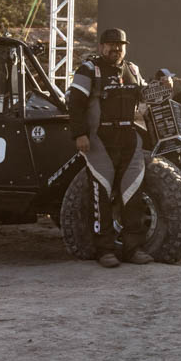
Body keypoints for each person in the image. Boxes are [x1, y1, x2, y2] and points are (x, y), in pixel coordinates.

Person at [66, 28, 152, 268]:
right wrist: (80, 134)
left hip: (129, 138)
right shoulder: (88, 70)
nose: (116, 49)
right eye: (110, 44)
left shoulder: (133, 70)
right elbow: (75, 103)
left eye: (120, 45)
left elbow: (145, 96)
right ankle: (105, 251)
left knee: (132, 195)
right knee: (101, 195)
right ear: (101, 46)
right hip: (99, 141)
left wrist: (164, 87)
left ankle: (133, 249)